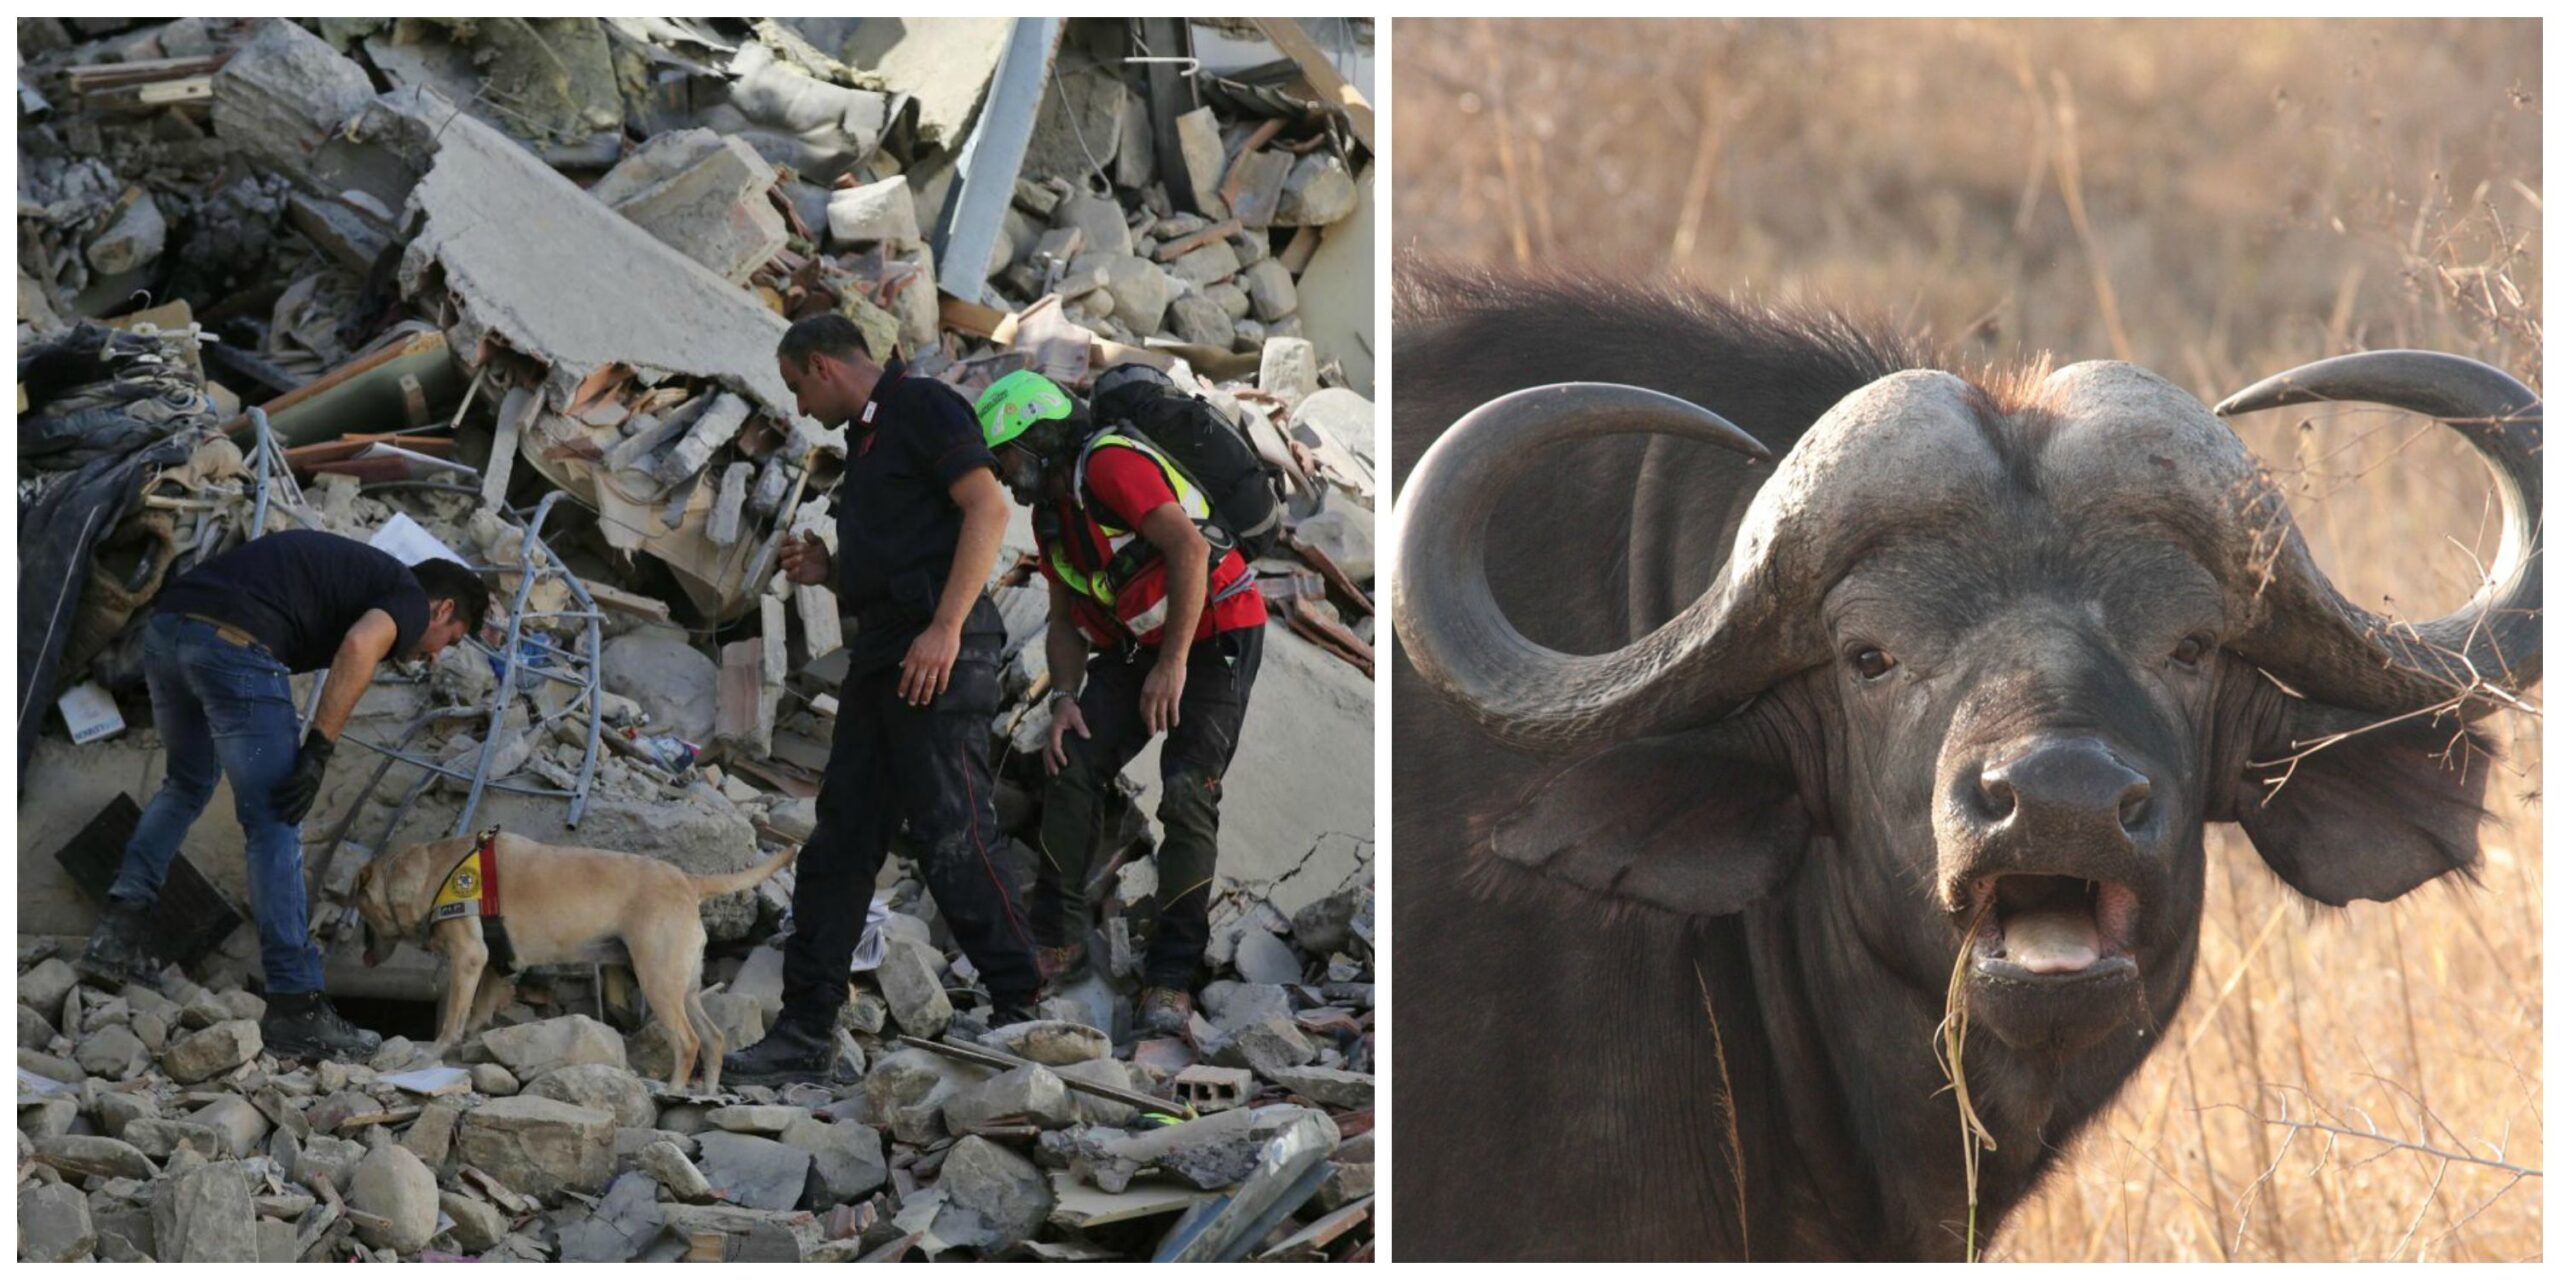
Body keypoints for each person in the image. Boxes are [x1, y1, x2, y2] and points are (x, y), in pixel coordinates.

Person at [726, 315, 1043, 1086]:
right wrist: (830, 568)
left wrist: (944, 627)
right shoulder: (865, 445)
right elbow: (905, 552)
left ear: (823, 365)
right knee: (842, 839)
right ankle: (805, 1030)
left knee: (951, 829)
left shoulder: (923, 405)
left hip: (938, 650)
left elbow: (988, 511)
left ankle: (1025, 1010)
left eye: (798, 386)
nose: (799, 408)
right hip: (886, 652)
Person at [77, 529, 489, 1059]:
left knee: (185, 784)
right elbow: (361, 644)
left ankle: (114, 939)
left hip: (167, 633)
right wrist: (318, 748)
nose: (436, 657)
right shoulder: (408, 596)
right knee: (274, 821)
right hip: (235, 646)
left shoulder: (358, 576)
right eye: (449, 641)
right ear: (443, 609)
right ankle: (296, 1006)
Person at [975, 365, 1268, 1036]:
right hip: (1138, 644)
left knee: (1189, 791)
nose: (1002, 472)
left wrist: (1174, 664)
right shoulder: (1052, 516)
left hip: (1215, 630)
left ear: (1040, 437)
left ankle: (1171, 981)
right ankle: (1059, 938)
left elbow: (1189, 549)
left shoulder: (1107, 463)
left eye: (1007, 455)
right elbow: (1061, 621)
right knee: (1070, 760)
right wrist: (1066, 699)